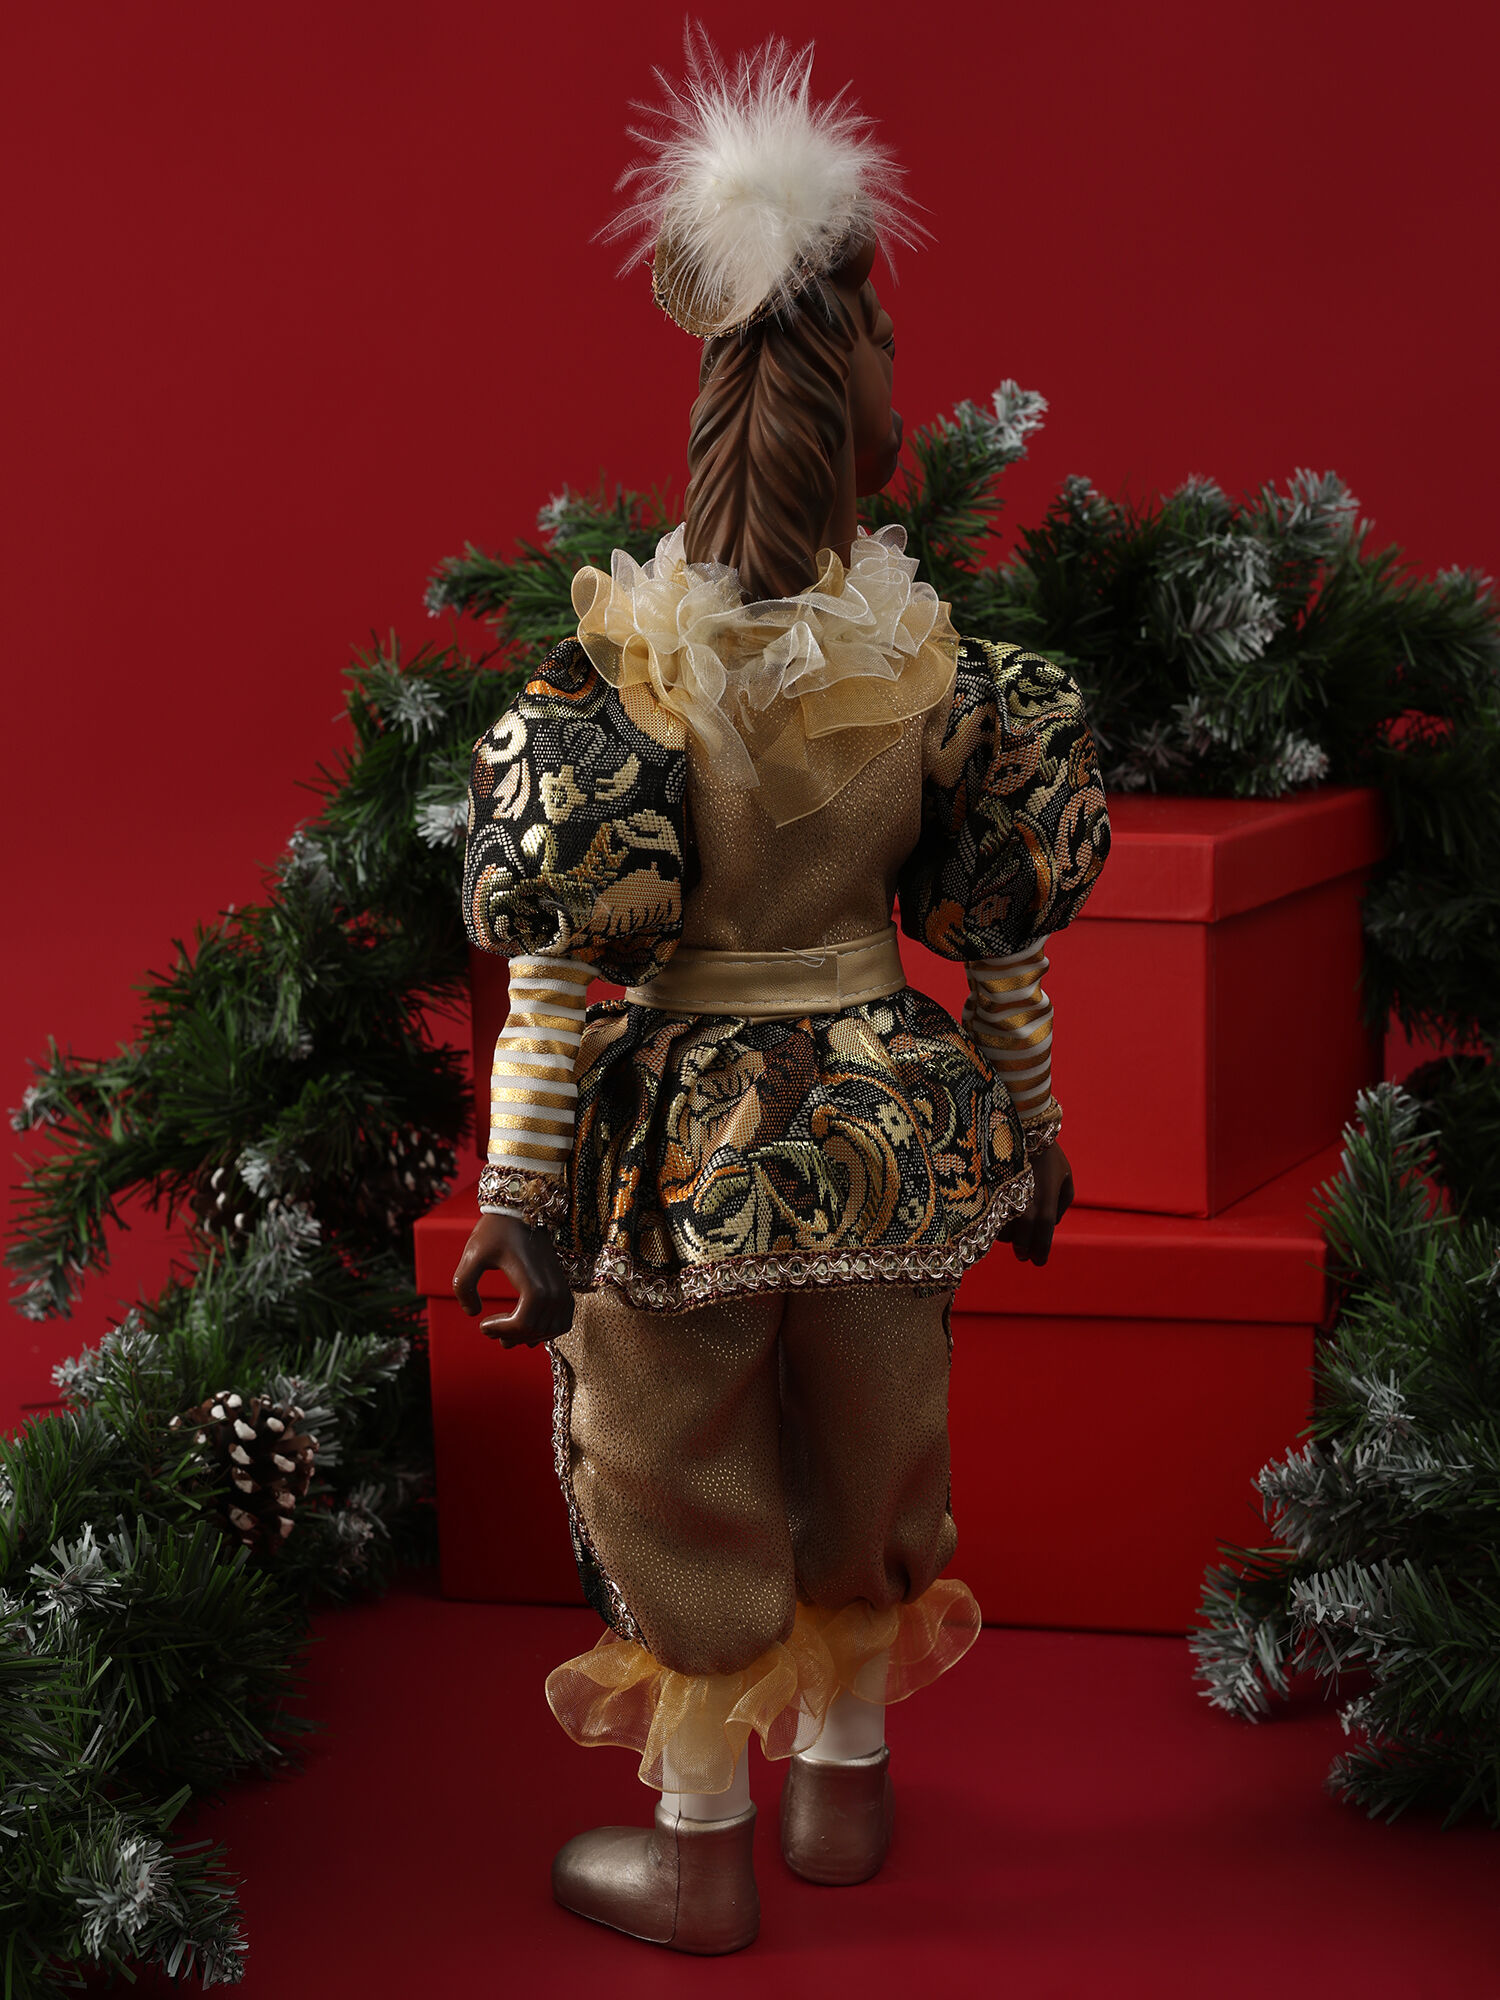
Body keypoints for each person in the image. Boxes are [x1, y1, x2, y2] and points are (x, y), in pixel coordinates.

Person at [451, 36, 1110, 1956]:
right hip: (893, 1126)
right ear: (867, 410)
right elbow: (1002, 945)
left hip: (694, 1154)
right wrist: (1037, 1135)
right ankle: (844, 1783)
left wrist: (515, 1194)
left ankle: (699, 1841)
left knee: (676, 1462)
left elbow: (558, 979)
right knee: (874, 1439)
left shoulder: (636, 680)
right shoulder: (942, 673)